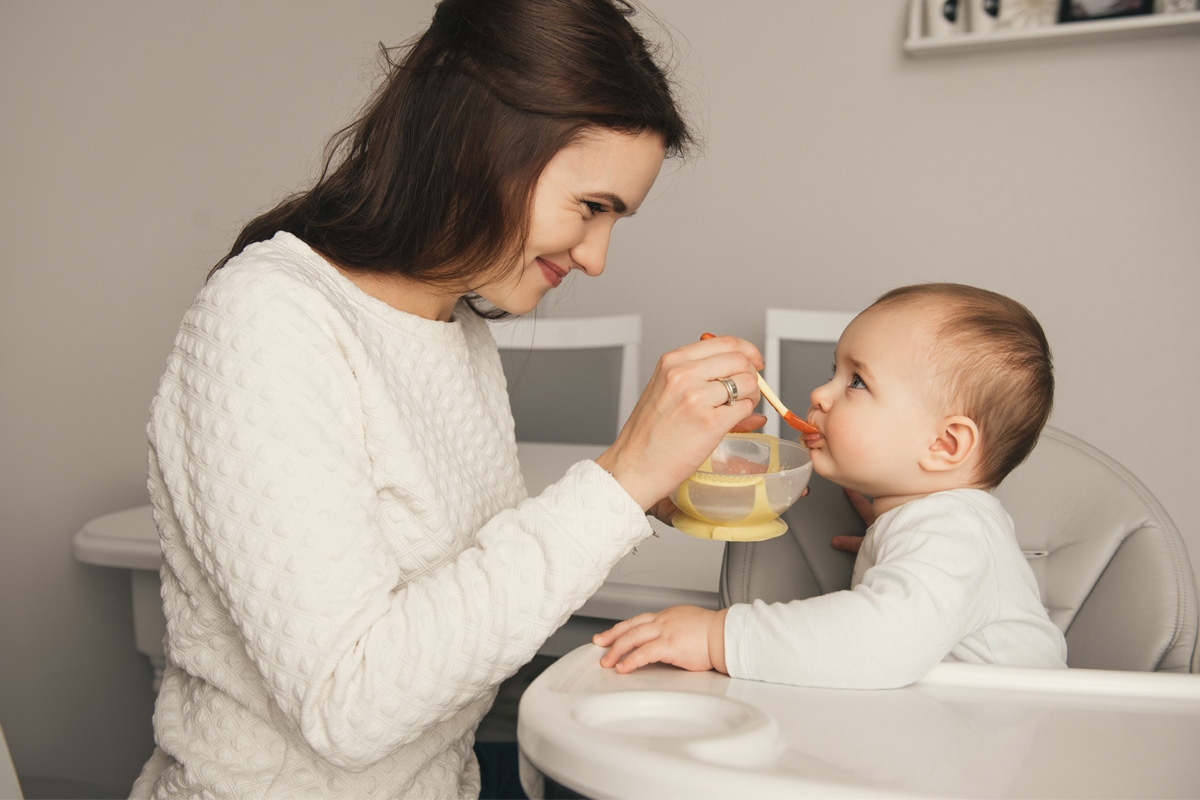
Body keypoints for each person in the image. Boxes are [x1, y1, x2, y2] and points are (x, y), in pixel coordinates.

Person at [131, 1, 769, 798]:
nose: (598, 257)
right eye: (592, 207)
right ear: (482, 145)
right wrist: (618, 481)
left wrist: (648, 491)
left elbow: (451, 578)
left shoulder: (452, 326)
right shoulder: (266, 319)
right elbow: (349, 702)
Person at [594, 283, 1069, 688]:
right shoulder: (942, 525)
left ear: (945, 444)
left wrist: (716, 637)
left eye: (857, 381)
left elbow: (880, 642)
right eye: (833, 372)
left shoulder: (952, 532)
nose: (820, 394)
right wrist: (890, 534)